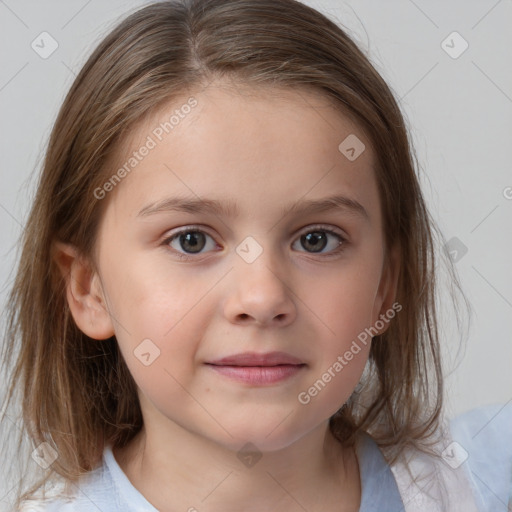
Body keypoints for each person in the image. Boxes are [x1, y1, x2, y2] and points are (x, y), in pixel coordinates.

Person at [0, 0, 501, 510]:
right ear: (89, 288)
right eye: (191, 240)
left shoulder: (481, 484)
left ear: (385, 285)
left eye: (316, 239)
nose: (262, 297)